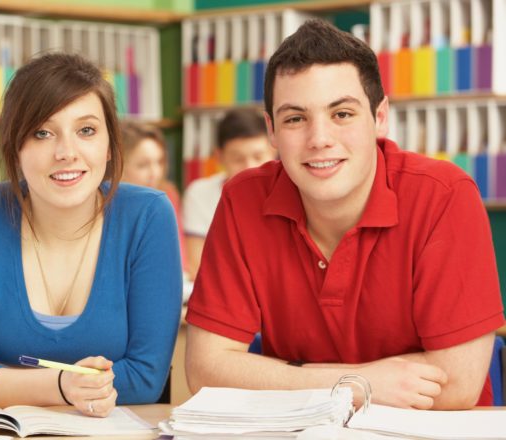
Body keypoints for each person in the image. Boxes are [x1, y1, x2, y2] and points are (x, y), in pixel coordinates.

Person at [185, 19, 503, 410]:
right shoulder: (242, 199)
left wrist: (287, 378)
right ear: (271, 130)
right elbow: (205, 372)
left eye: (342, 114)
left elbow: (457, 384)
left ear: (380, 117)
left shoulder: (444, 195)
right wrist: (356, 384)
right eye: (295, 119)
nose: (319, 139)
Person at [0, 53, 182, 416]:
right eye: (42, 133)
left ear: (110, 145)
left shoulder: (148, 215)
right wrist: (62, 387)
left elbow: (146, 376)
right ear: (15, 149)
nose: (66, 152)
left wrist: (12, 384)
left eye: (86, 131)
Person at [182, 108, 275, 277]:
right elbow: (198, 267)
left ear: (273, 150)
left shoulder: (293, 191)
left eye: (258, 156)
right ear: (220, 157)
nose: (249, 167)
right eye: (238, 159)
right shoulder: (199, 194)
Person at [119, 120, 188, 276]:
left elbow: (179, 258)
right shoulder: (109, 204)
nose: (155, 173)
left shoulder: (168, 194)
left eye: (159, 162)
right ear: (118, 166)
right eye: (143, 165)